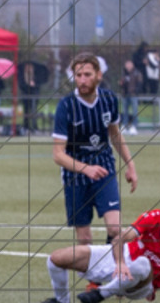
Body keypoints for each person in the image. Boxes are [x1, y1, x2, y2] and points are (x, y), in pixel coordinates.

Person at [32, 199, 160, 303]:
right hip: (121, 259)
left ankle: (103, 292)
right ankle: (61, 301)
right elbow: (119, 238)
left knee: (143, 264)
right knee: (56, 259)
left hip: (143, 286)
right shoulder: (154, 217)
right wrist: (121, 264)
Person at [52, 52, 138, 246]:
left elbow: (115, 134)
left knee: (116, 229)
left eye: (87, 75)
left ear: (99, 75)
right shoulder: (66, 106)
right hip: (75, 175)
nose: (82, 80)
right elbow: (58, 154)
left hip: (104, 168)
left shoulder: (109, 99)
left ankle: (113, 270)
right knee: (85, 239)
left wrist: (130, 165)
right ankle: (94, 277)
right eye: (78, 75)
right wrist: (85, 168)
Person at [119, 60, 142, 135]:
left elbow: (140, 83)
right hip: (125, 95)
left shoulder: (136, 73)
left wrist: (136, 91)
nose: (128, 66)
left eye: (129, 65)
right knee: (125, 111)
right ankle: (124, 126)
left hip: (133, 95)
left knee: (134, 111)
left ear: (132, 65)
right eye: (127, 65)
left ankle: (134, 126)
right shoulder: (124, 73)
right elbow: (122, 84)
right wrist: (121, 84)